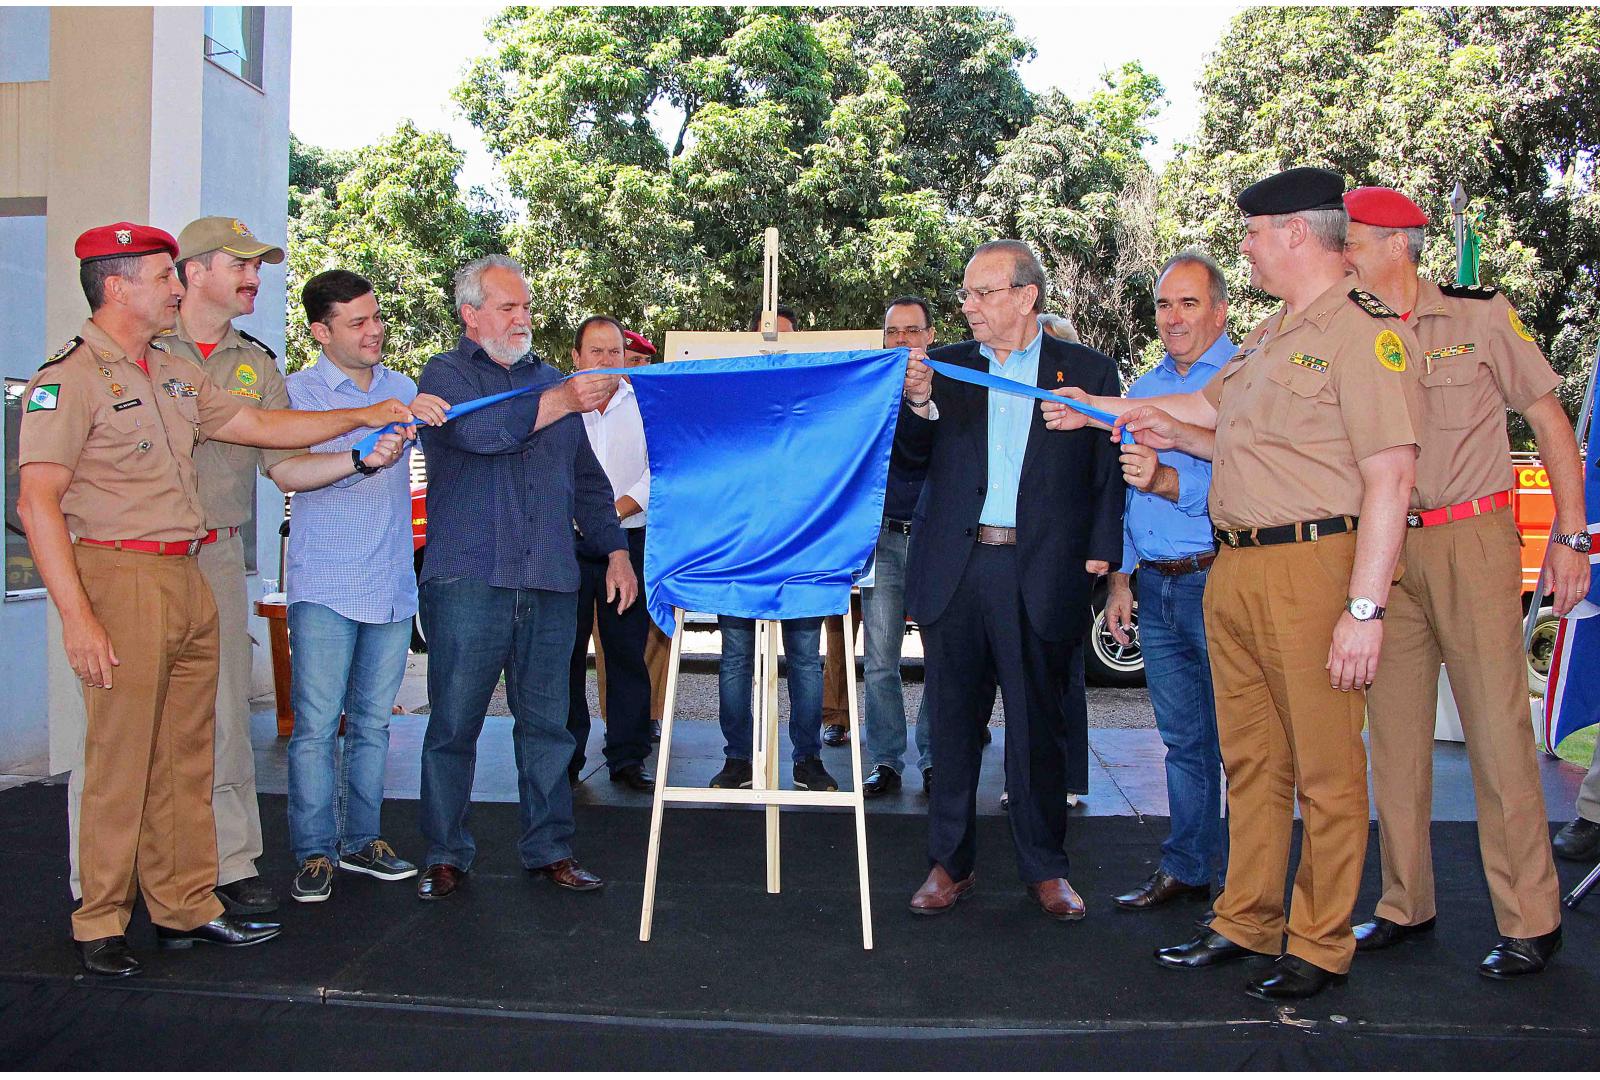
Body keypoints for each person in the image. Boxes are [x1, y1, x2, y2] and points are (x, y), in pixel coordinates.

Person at [1045, 167, 1423, 999]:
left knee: (1324, 770)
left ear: (1294, 232)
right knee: (1251, 761)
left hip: (1314, 564)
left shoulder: (1366, 334)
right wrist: (1097, 407)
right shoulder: (1267, 337)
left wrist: (1364, 609)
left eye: (1253, 233)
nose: (1244, 247)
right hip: (1238, 566)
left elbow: (1392, 477)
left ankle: (1319, 941)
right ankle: (1246, 921)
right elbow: (1203, 423)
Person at [17, 222, 421, 976]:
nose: (177, 288)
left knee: (186, 754)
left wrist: (362, 416)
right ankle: (100, 919)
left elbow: (254, 424)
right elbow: (38, 502)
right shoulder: (66, 380)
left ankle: (182, 906)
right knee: (120, 758)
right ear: (117, 287)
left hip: (191, 570)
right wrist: (77, 617)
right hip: (119, 572)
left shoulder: (170, 367)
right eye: (164, 276)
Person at [1342, 185, 1578, 978]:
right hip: (1386, 550)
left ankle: (1530, 918)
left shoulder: (1478, 318)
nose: (1342, 254)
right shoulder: (1355, 329)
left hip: (1472, 537)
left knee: (1496, 735)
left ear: (1399, 245)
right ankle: (1405, 903)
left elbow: (1548, 420)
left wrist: (1572, 537)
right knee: (1395, 740)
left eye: (1355, 241)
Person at [898, 239, 1123, 923]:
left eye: (982, 293)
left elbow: (1108, 467)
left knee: (1038, 728)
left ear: (1026, 297)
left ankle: (1046, 868)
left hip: (1043, 568)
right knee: (951, 723)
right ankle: (949, 863)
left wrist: (1104, 551)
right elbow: (909, 465)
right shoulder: (947, 369)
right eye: (965, 294)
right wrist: (918, 408)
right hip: (957, 571)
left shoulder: (1085, 370)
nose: (967, 306)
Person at [413, 255, 634, 901]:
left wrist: (616, 551)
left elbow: (588, 481)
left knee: (548, 728)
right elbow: (483, 434)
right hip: (468, 584)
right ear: (471, 314)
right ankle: (445, 854)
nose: (523, 318)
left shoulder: (548, 380)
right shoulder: (446, 375)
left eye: (527, 307)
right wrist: (562, 398)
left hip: (548, 580)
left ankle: (550, 851)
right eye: (509, 307)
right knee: (453, 725)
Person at [278, 269, 450, 903]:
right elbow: (288, 473)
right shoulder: (295, 392)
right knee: (318, 726)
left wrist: (433, 417)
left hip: (389, 579)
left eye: (376, 317)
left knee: (375, 723)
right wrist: (360, 455)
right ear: (321, 331)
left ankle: (362, 840)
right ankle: (314, 849)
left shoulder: (404, 387)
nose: (375, 330)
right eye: (358, 322)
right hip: (325, 580)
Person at [166, 216, 300, 916]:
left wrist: (367, 448)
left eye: (258, 265)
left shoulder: (257, 364)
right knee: (127, 725)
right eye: (239, 264)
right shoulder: (141, 350)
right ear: (193, 272)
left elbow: (287, 467)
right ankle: (109, 872)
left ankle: (230, 859)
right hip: (131, 556)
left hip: (215, 552)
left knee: (222, 716)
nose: (254, 275)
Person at [1106, 251, 1234, 910]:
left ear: (1220, 309)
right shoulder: (1146, 387)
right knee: (1183, 742)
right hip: (1155, 587)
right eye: (1163, 304)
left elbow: (1246, 482)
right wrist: (1123, 578)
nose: (1174, 317)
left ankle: (1246, 892)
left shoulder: (1247, 377)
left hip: (1223, 581)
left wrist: (1169, 480)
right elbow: (1131, 492)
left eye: (1188, 303)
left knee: (1244, 747)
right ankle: (1187, 867)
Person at [708, 306, 836, 793]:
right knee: (736, 656)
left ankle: (808, 759)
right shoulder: (734, 408)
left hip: (802, 553)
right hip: (741, 551)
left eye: (786, 344)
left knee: (805, 657)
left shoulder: (817, 412)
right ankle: (738, 758)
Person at [565, 315, 656, 792]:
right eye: (596, 352)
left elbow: (656, 471)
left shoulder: (644, 404)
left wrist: (610, 514)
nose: (606, 361)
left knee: (625, 652)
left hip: (630, 540)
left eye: (615, 353)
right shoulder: (558, 406)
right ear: (576, 357)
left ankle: (626, 756)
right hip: (568, 543)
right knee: (566, 653)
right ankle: (567, 755)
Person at [857, 296, 937, 797]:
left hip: (935, 542)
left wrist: (920, 402)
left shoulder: (955, 383)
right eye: (893, 332)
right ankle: (886, 760)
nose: (903, 341)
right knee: (881, 659)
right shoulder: (864, 389)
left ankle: (935, 758)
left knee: (941, 660)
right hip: (882, 538)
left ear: (930, 335)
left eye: (912, 331)